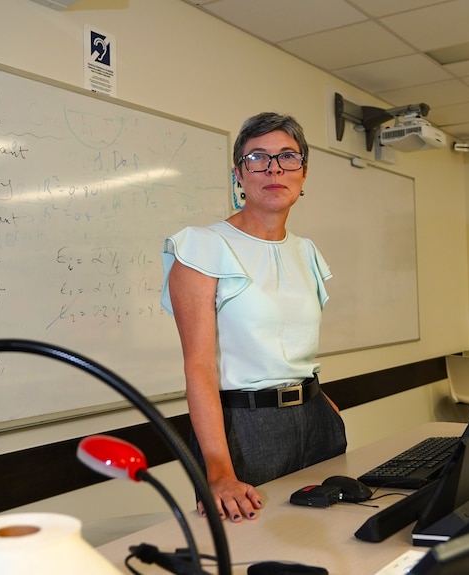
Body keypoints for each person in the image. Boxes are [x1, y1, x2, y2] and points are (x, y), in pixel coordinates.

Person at [160, 112, 347, 523]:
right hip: (243, 430)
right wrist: (220, 471)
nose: (274, 168)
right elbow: (199, 366)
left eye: (287, 157)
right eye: (257, 157)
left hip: (316, 419)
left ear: (304, 172)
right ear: (239, 175)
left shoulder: (306, 251)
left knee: (330, 539)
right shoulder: (202, 248)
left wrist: (322, 406)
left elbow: (291, 345)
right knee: (255, 553)